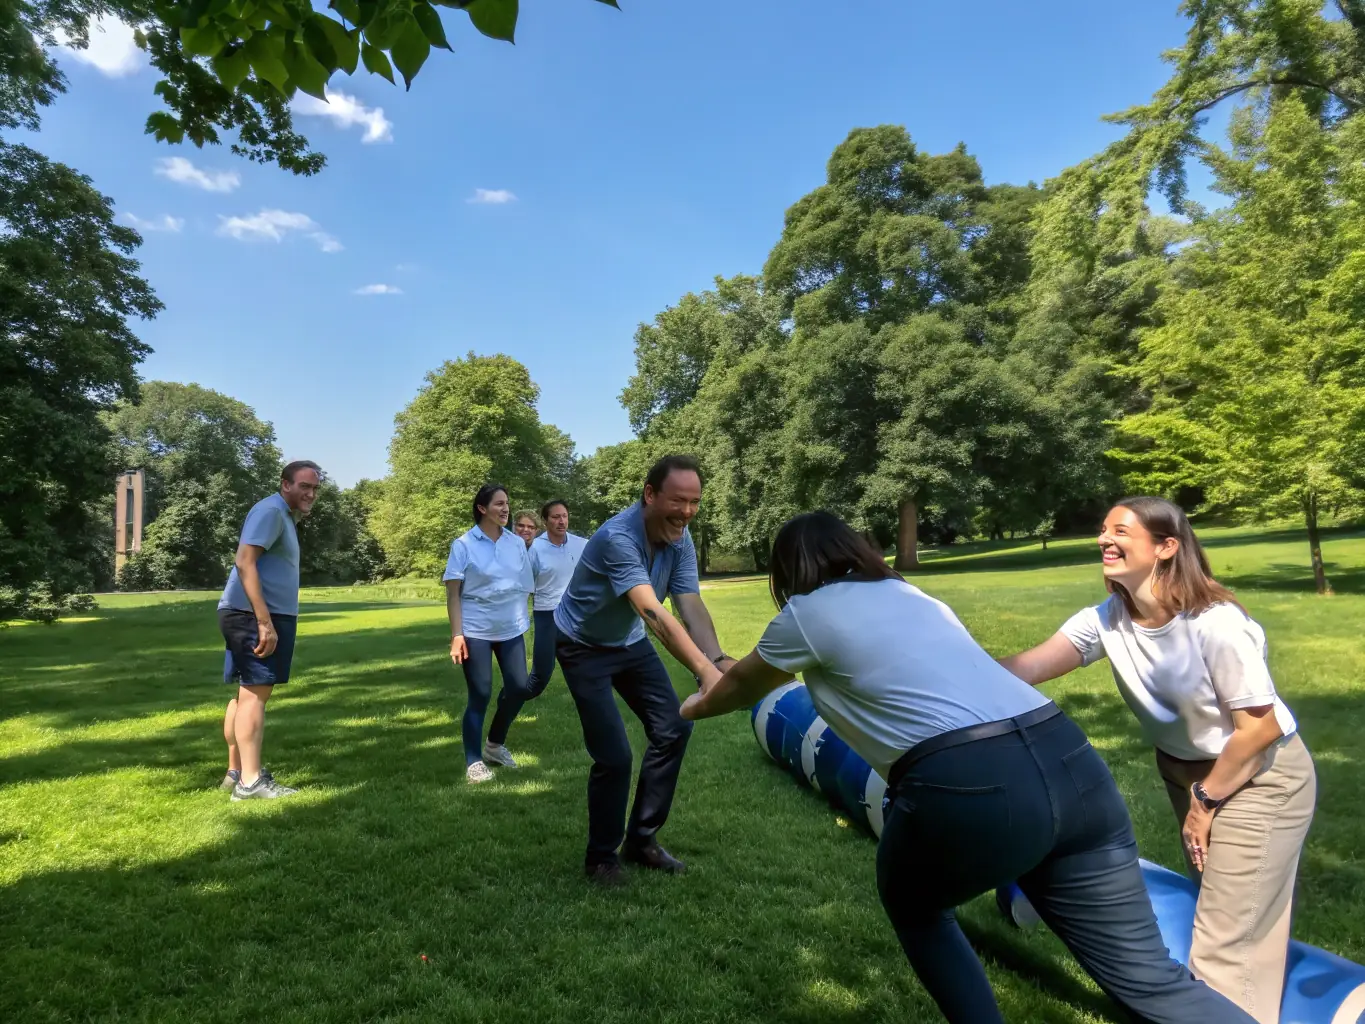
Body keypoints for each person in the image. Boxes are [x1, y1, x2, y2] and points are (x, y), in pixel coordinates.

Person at [681, 510, 1257, 1024]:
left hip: (969, 782)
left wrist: (694, 706)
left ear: (789, 571)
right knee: (1150, 978)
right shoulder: (912, 595)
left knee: (915, 906)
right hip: (1072, 764)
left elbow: (740, 688)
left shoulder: (807, 612)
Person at [999, 497, 1315, 1024]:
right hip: (1186, 771)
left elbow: (1259, 728)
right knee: (1224, 905)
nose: (1104, 538)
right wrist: (950, 670)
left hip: (1257, 775)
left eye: (1121, 530)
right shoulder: (1108, 620)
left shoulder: (1215, 624)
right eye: (1103, 529)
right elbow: (1024, 668)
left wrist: (1204, 803)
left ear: (1166, 547)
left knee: (1225, 939)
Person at [554, 454, 735, 886]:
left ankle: (641, 840)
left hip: (628, 642)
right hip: (582, 646)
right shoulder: (617, 537)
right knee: (614, 756)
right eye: (678, 500)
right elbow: (653, 613)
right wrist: (705, 673)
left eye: (694, 502)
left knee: (674, 727)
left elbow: (689, 603)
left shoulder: (680, 540)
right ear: (650, 494)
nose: (686, 512)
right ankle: (601, 858)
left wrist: (716, 660)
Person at [218, 460, 322, 801]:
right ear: (285, 484)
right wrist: (264, 621)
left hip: (250, 614)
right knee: (254, 695)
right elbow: (244, 561)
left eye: (315, 488)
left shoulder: (282, 515)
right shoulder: (272, 511)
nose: (311, 494)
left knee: (245, 694)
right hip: (254, 616)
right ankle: (251, 783)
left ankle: (236, 772)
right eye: (304, 486)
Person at [444, 483, 536, 783]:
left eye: (507, 503)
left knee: (519, 687)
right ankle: (473, 762)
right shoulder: (463, 545)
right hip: (476, 629)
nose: (505, 508)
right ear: (482, 508)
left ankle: (494, 745)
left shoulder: (516, 543)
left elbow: (524, 585)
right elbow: (453, 594)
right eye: (499, 504)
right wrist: (457, 635)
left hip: (510, 629)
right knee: (481, 693)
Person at [525, 499, 587, 698]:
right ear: (545, 521)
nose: (561, 521)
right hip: (547, 617)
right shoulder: (535, 549)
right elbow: (525, 587)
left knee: (584, 678)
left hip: (576, 616)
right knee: (539, 678)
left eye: (564, 516)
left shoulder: (582, 545)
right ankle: (506, 705)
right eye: (555, 517)